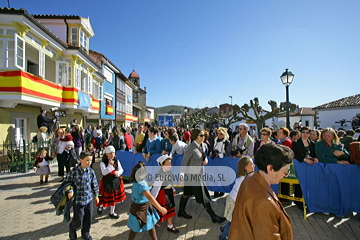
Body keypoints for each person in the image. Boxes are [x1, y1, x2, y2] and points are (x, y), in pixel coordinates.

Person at [228, 144, 294, 239]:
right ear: (270, 168)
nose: (286, 175)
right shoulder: (264, 202)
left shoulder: (251, 177)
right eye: (285, 171)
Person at [178, 126, 226, 223]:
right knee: (203, 195)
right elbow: (184, 162)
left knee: (186, 193)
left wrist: (206, 160)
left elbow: (204, 157)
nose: (203, 136)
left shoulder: (204, 145)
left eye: (204, 135)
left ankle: (180, 211)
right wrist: (181, 176)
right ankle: (213, 216)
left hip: (200, 173)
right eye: (201, 135)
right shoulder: (190, 148)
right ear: (196, 136)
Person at [127, 161, 167, 240]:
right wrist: (160, 208)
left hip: (138, 208)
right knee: (136, 229)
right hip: (141, 210)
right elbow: (150, 198)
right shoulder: (142, 185)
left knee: (150, 227)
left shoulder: (136, 181)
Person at [219, 156, 255, 240]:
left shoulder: (246, 178)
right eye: (251, 164)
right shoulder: (243, 180)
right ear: (245, 167)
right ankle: (223, 236)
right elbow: (242, 193)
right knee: (233, 220)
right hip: (235, 201)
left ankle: (223, 228)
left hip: (234, 200)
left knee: (231, 218)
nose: (253, 166)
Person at [66, 151, 99, 240]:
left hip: (89, 199)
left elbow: (94, 184)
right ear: (81, 160)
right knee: (78, 219)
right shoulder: (74, 171)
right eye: (87, 160)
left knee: (88, 218)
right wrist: (70, 190)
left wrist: (96, 195)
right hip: (78, 200)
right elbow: (67, 183)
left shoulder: (91, 171)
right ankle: (72, 228)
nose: (89, 162)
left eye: (90, 160)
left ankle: (85, 233)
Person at [150, 155, 179, 234]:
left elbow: (170, 182)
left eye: (170, 164)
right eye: (167, 164)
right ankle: (152, 225)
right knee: (159, 210)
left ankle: (170, 225)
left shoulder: (169, 172)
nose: (169, 166)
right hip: (162, 195)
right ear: (161, 164)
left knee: (170, 208)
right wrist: (151, 199)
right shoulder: (160, 174)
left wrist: (173, 189)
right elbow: (156, 188)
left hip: (168, 193)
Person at [96, 146, 126, 219]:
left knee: (114, 198)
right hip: (107, 182)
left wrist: (118, 172)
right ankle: (101, 206)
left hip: (115, 182)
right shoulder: (103, 163)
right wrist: (110, 165)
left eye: (113, 152)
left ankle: (112, 212)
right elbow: (104, 172)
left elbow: (121, 170)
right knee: (104, 197)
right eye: (110, 153)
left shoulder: (116, 161)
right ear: (106, 154)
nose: (112, 154)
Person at [210, 127, 231, 198]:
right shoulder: (215, 140)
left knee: (222, 177)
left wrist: (220, 155)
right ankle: (216, 191)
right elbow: (213, 148)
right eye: (217, 133)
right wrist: (212, 153)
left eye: (220, 134)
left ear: (224, 134)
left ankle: (222, 191)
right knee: (215, 176)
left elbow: (228, 153)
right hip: (216, 161)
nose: (218, 135)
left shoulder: (227, 142)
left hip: (223, 161)